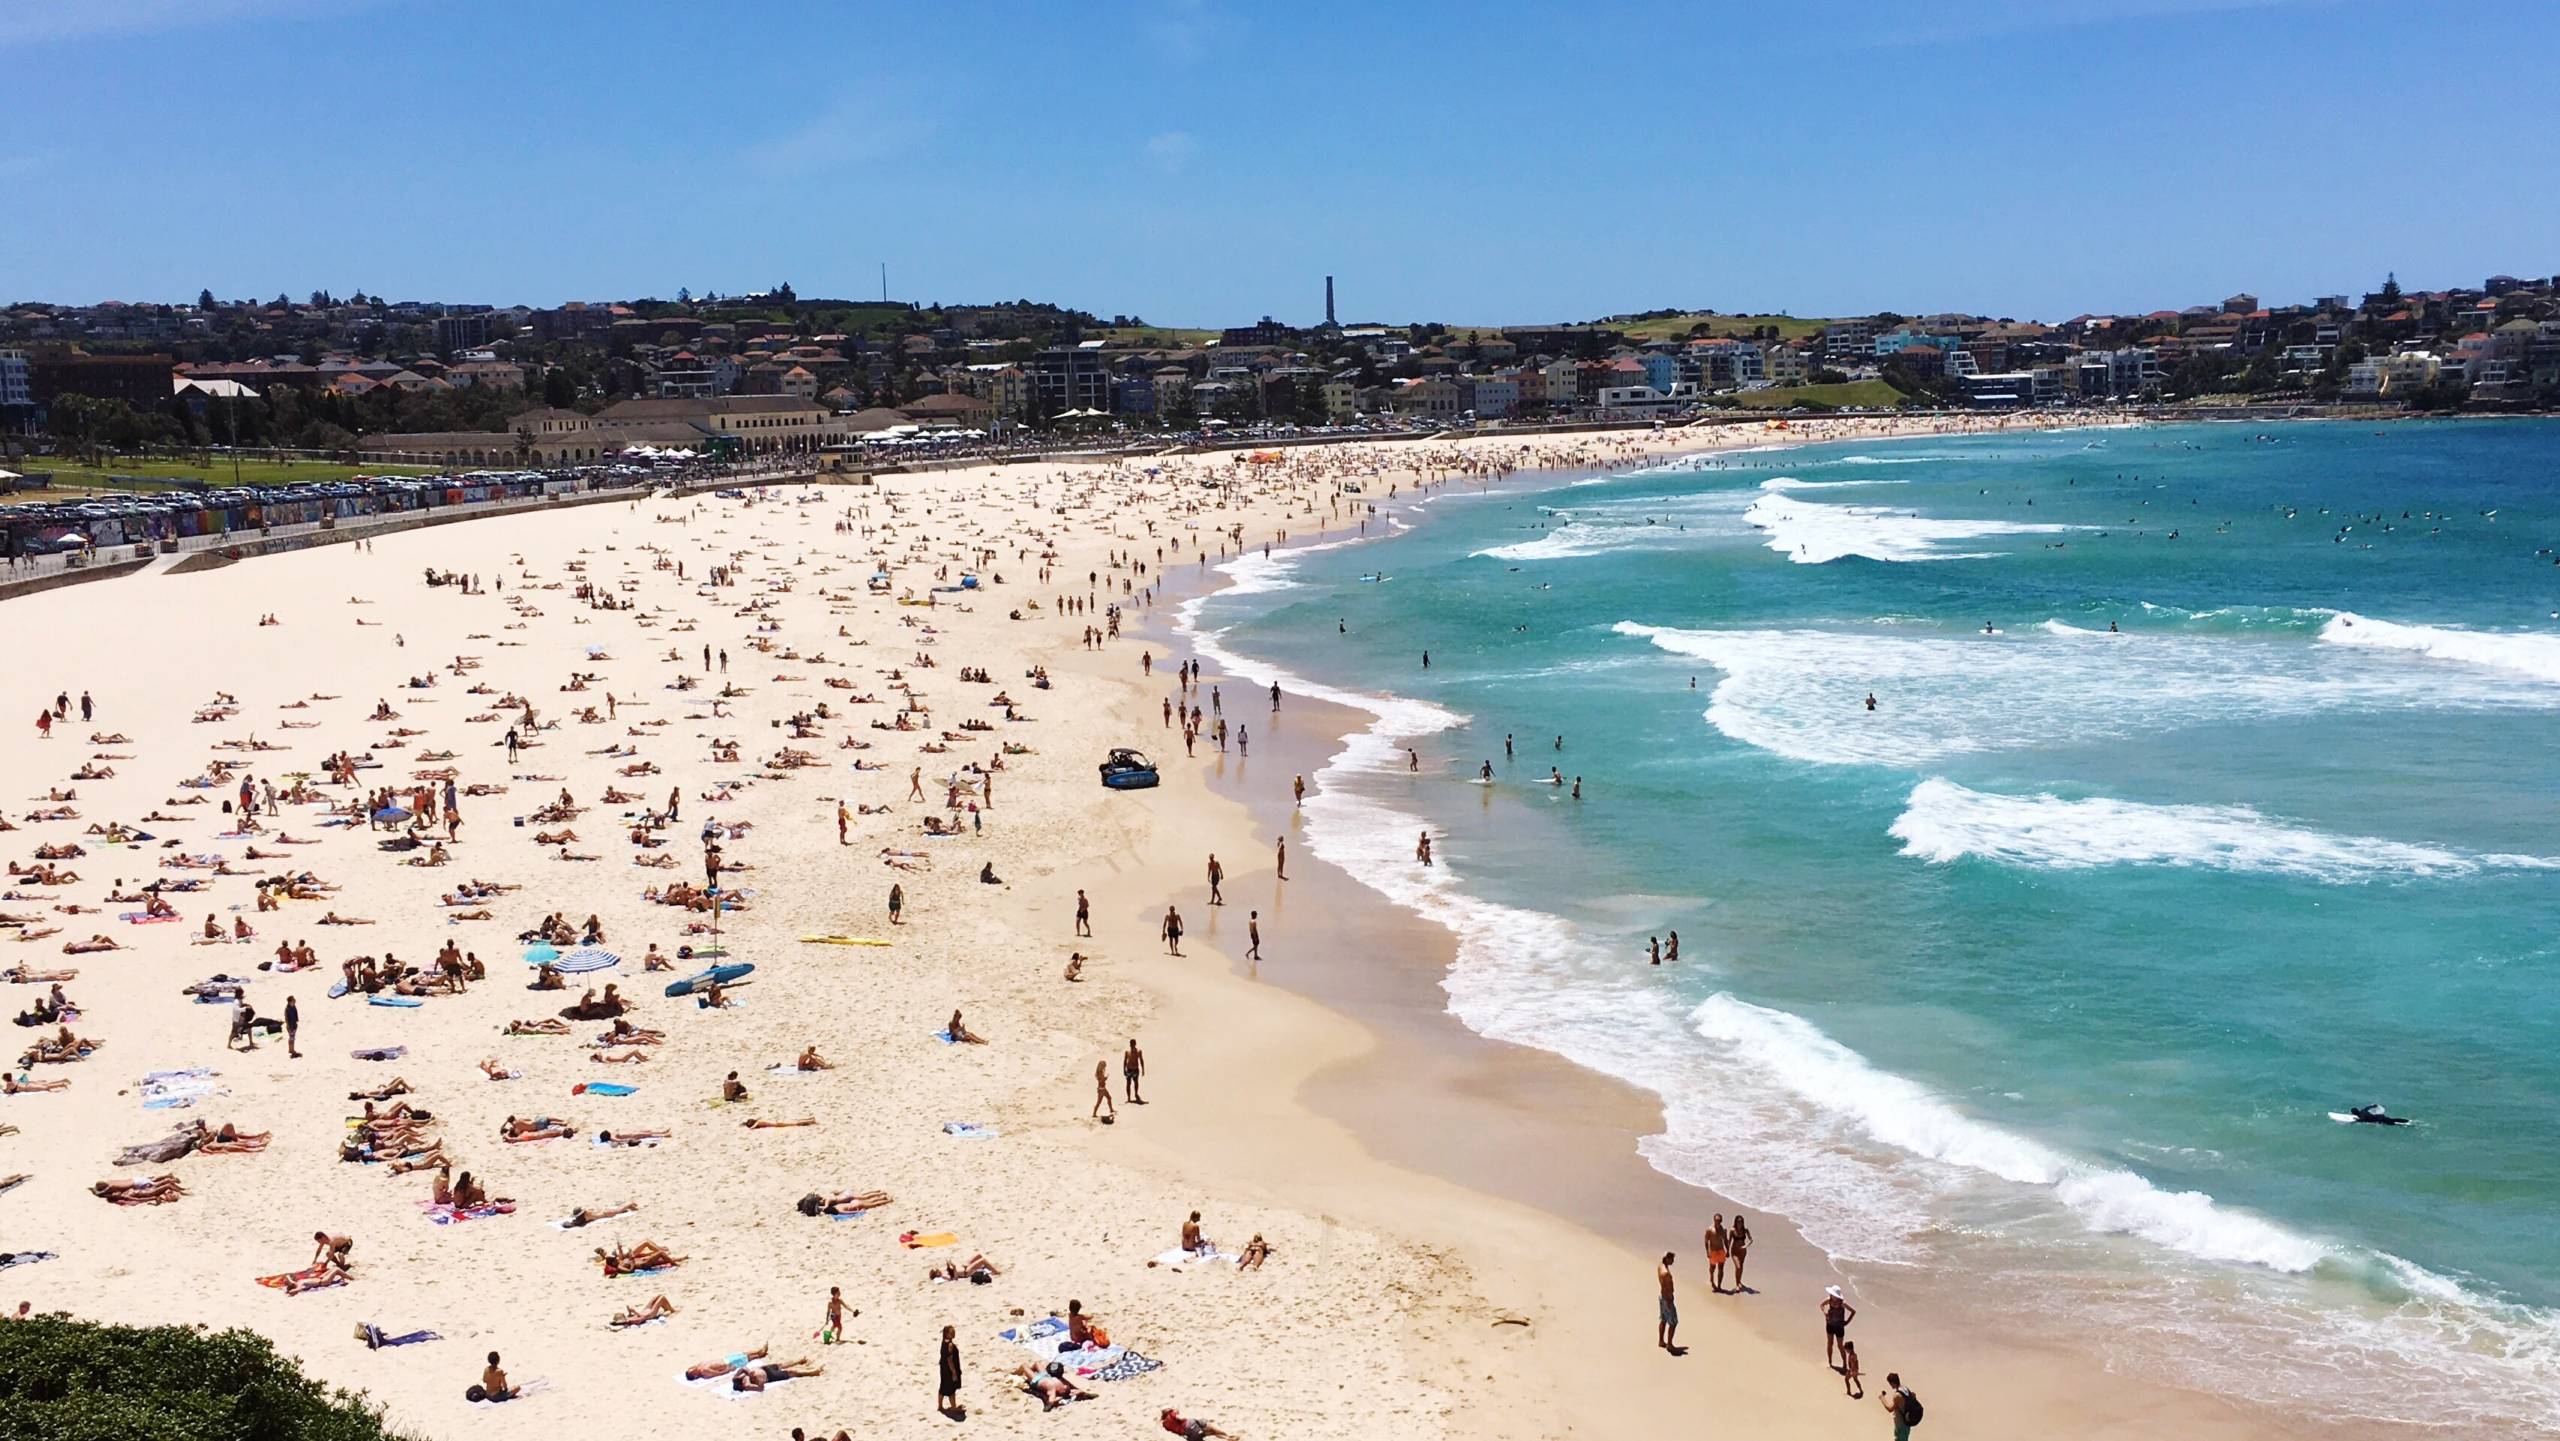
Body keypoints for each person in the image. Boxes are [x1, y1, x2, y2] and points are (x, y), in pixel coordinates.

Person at [1821, 1285, 1856, 1370]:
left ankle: (1844, 1364)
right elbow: (1821, 1305)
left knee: (1840, 1346)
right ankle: (1830, 1362)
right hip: (1830, 1325)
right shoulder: (1829, 1300)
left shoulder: (1842, 1303)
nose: (1831, 1295)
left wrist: (1847, 1322)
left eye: (1832, 1294)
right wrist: (1825, 1313)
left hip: (1839, 1327)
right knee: (1830, 1343)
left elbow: (1853, 1311)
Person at [1880, 1372, 1921, 1439]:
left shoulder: (1897, 1395)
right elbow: (1913, 1396)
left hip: (1901, 1425)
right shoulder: (1905, 1388)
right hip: (1907, 1423)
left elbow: (1890, 1409)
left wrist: (1882, 1398)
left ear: (1892, 1383)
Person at [937, 1324, 964, 1418]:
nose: (954, 1333)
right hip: (949, 1369)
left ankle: (940, 1406)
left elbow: (944, 1356)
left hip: (943, 1368)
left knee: (943, 1386)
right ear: (947, 1334)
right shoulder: (950, 1345)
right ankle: (953, 1407)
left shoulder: (944, 1342)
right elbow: (950, 1360)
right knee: (951, 1389)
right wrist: (954, 1372)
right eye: (951, 1332)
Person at [1657, 1252, 1680, 1353]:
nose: (1673, 1261)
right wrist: (1670, 1300)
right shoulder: (1665, 1273)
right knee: (1673, 1322)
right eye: (1672, 1259)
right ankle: (1670, 1345)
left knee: (1663, 1319)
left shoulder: (1660, 1266)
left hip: (1662, 1297)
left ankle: (1661, 1341)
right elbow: (1665, 1287)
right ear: (1667, 1259)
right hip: (1667, 1298)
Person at [1729, 1213, 1752, 1291]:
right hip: (1734, 1251)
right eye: (1738, 1221)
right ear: (1735, 1222)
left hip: (1742, 1251)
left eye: (1741, 1221)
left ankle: (1739, 1282)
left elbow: (1751, 1240)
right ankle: (1737, 1284)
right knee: (1738, 1267)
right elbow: (1729, 1241)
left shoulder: (1745, 1229)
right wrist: (1727, 1251)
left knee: (1741, 1267)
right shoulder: (1732, 1230)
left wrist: (1745, 1246)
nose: (1740, 1223)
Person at [1123, 1038, 1146, 1104]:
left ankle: (1136, 1094)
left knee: (1136, 1082)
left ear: (1135, 1044)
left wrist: (1143, 1069)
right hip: (1129, 1069)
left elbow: (1141, 1060)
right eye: (1131, 1044)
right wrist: (1124, 1070)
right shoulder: (1127, 1052)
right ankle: (1129, 1097)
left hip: (1135, 1069)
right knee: (1128, 1083)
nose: (1131, 1045)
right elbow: (1125, 1061)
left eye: (1133, 1044)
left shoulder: (1139, 1051)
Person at [283, 994, 300, 1059]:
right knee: (291, 1038)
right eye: (293, 1000)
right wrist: (289, 1027)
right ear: (290, 1001)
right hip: (290, 1026)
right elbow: (286, 1019)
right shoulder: (287, 1009)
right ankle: (292, 1050)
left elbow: (296, 1014)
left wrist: (296, 1022)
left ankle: (291, 1049)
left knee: (292, 1038)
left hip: (294, 1025)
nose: (295, 1001)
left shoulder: (294, 1007)